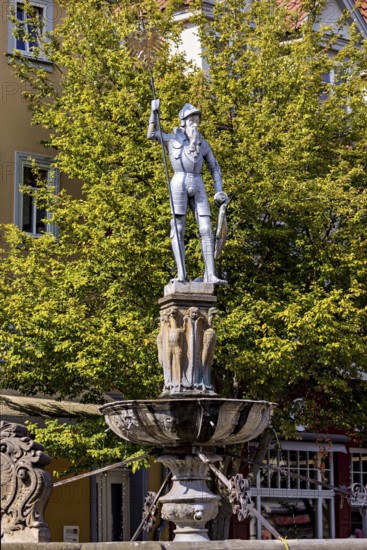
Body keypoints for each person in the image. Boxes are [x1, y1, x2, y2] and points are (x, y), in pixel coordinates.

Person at [147, 100, 228, 284]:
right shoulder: (172, 139)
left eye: (197, 120)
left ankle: (210, 274)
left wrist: (219, 191)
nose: (195, 123)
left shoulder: (203, 144)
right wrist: (154, 112)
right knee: (178, 228)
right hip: (178, 181)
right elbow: (151, 134)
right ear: (183, 121)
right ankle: (181, 275)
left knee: (206, 228)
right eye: (192, 120)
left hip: (197, 182)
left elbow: (214, 168)